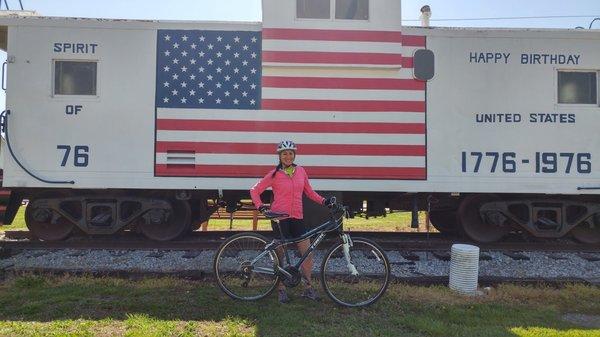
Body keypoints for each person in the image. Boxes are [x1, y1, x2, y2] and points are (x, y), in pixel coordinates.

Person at [250, 140, 333, 303]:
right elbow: (254, 190)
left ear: (294, 155)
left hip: (297, 217)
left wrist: (324, 201)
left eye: (290, 153)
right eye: (284, 154)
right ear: (280, 157)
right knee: (280, 255)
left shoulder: (301, 171)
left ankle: (308, 289)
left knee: (307, 253)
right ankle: (281, 289)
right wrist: (260, 207)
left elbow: (309, 192)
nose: (288, 156)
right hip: (279, 218)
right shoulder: (274, 174)